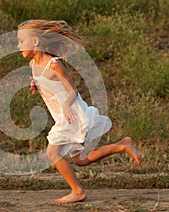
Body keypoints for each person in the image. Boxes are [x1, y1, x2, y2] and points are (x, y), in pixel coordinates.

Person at [17, 20, 140, 204]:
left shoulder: (54, 65)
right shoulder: (33, 64)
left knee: (52, 153)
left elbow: (72, 90)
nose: (18, 46)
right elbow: (47, 84)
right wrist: (36, 84)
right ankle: (122, 145)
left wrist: (66, 105)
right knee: (81, 160)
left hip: (71, 113)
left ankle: (77, 191)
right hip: (61, 116)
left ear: (35, 42)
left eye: (21, 41)